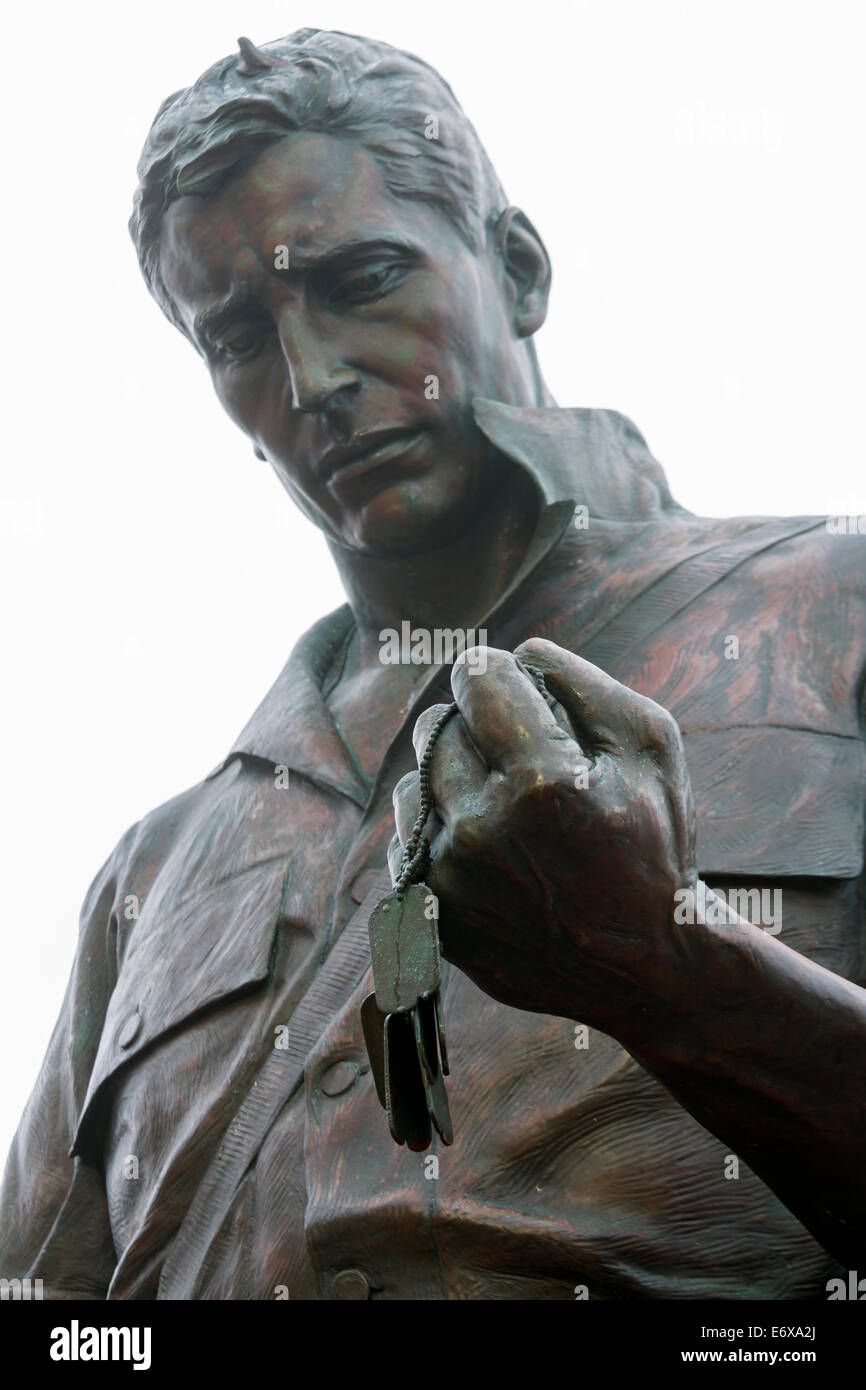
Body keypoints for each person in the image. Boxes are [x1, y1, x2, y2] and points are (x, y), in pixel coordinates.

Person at [2, 28, 864, 1300]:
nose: (313, 378)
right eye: (238, 338)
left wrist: (670, 972)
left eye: (361, 279)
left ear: (514, 268)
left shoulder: (828, 615)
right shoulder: (155, 868)